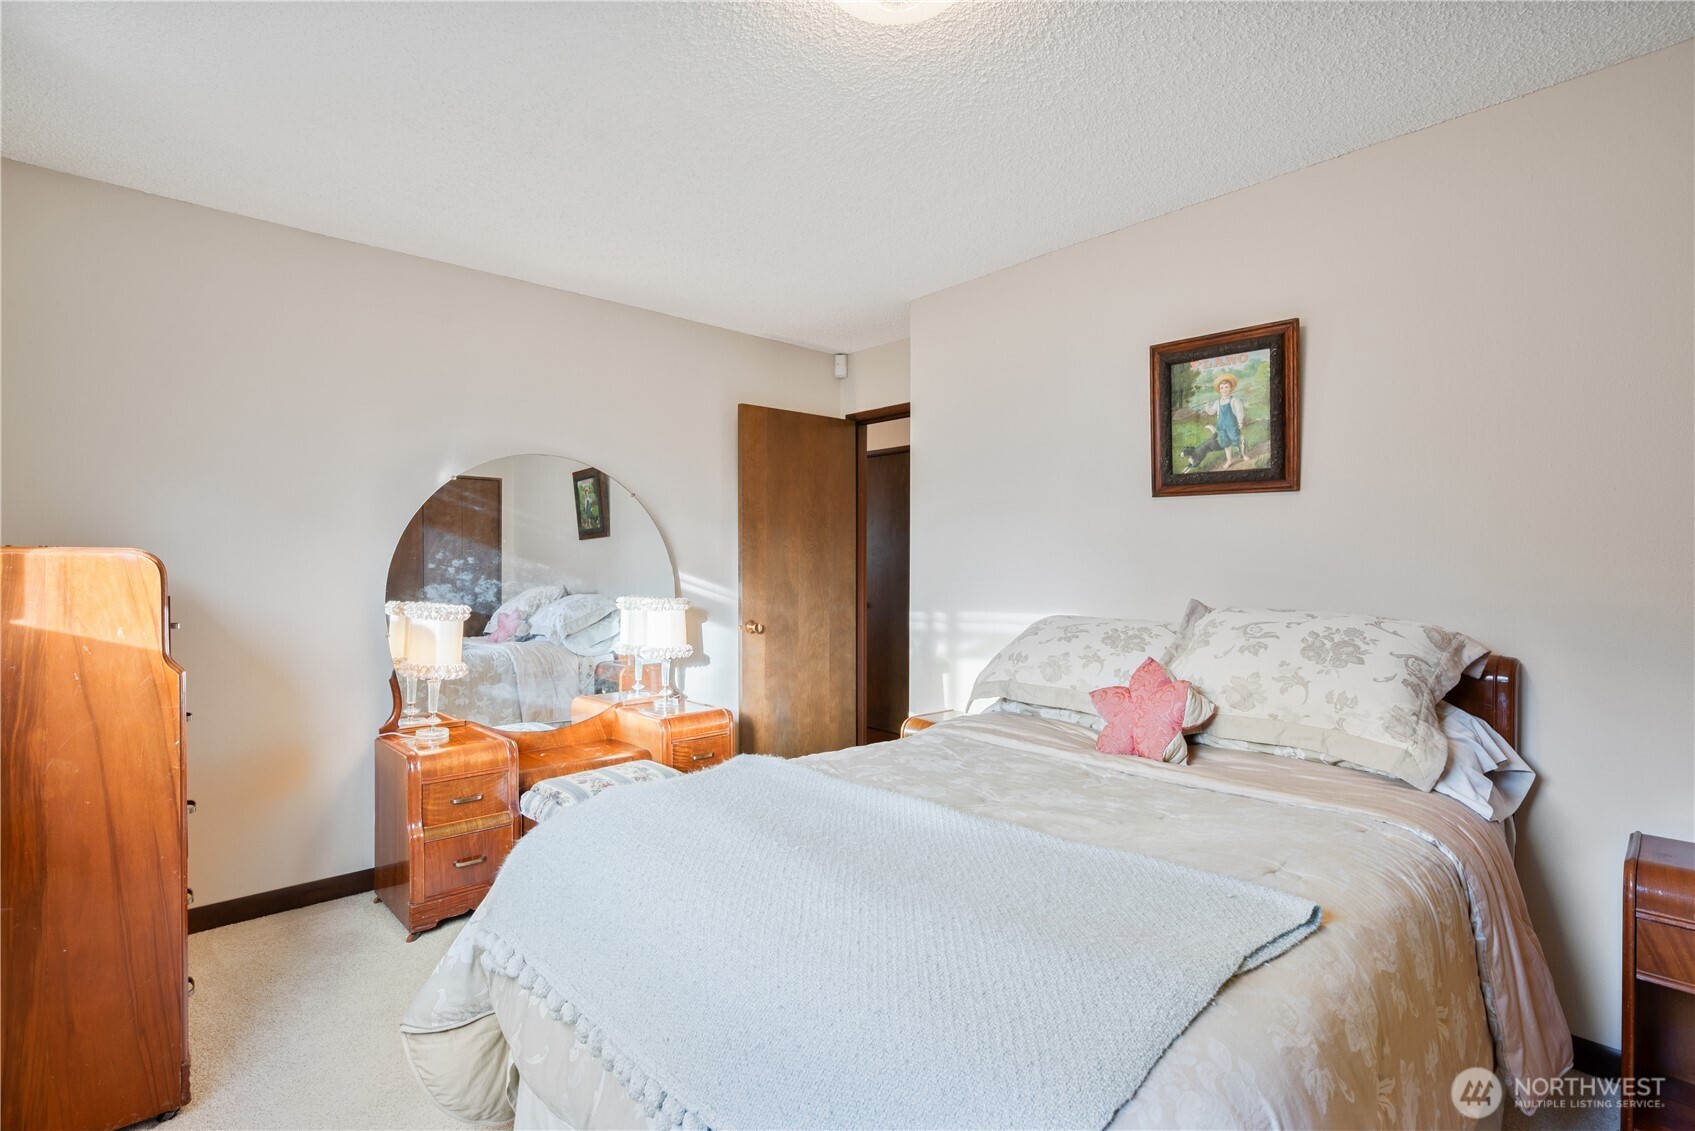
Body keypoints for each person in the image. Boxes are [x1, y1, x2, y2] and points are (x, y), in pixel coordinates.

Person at [1203, 373, 1248, 469]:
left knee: (1237, 440)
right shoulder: (1218, 402)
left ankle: (1243, 454)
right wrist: (1207, 406)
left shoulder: (1234, 400)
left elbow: (1240, 411)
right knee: (1226, 443)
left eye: (1226, 387)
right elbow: (1211, 412)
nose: (1224, 390)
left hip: (1232, 425)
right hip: (1221, 426)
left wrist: (1240, 422)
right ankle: (1229, 460)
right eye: (1222, 388)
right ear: (1219, 390)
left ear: (1231, 388)